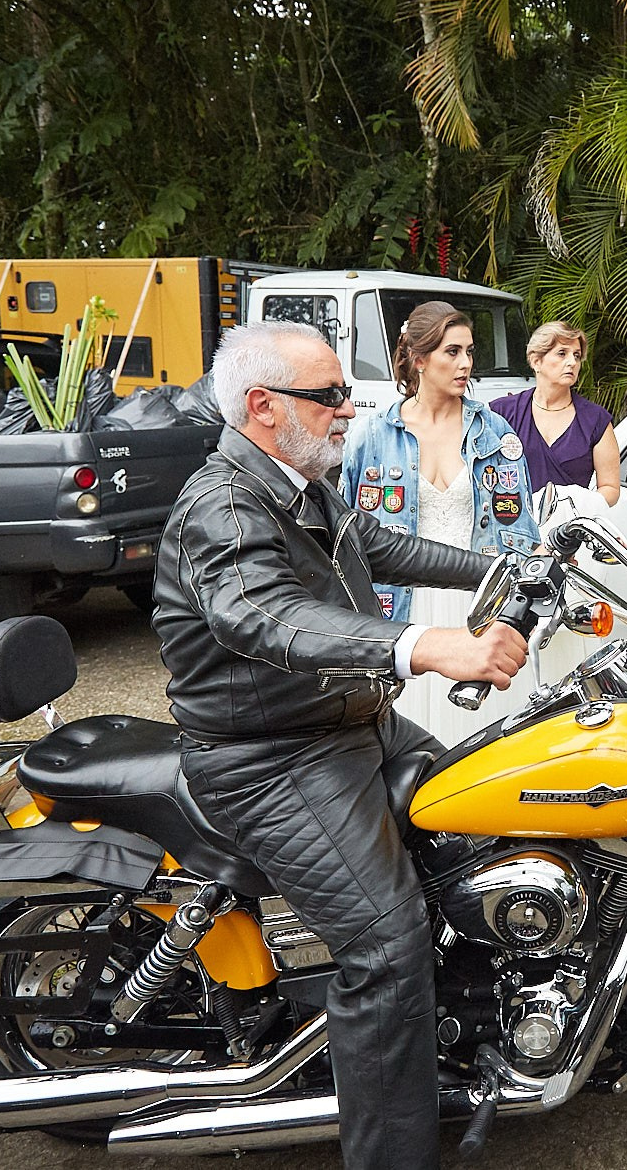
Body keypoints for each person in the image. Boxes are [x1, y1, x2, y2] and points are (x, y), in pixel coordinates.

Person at [152, 321, 528, 1170]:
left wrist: (500, 568)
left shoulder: (301, 482)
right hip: (272, 757)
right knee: (387, 947)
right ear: (262, 405)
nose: (348, 410)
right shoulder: (223, 504)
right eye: (329, 396)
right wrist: (423, 646)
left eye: (344, 394)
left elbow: (379, 544)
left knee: (479, 835)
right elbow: (263, 614)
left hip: (352, 722)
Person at [343, 300, 540, 743]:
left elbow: (521, 529)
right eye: (452, 352)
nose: (465, 363)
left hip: (481, 605)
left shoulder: (494, 432)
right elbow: (347, 536)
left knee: (487, 745)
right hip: (401, 608)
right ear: (419, 359)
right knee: (408, 740)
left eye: (469, 352)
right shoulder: (372, 435)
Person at [489, 319, 622, 506]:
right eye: (562, 353)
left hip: (571, 522)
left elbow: (610, 488)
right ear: (536, 361)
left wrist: (574, 506)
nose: (572, 362)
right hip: (512, 519)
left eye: (576, 356)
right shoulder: (502, 413)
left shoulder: (595, 420)